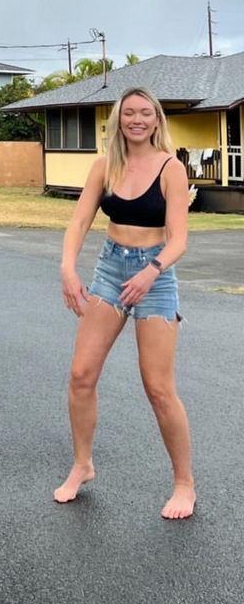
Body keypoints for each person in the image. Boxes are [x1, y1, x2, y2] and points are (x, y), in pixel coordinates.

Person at [55, 87, 195, 519]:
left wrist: (151, 270)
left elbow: (180, 239)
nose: (137, 119)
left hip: (154, 274)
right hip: (111, 269)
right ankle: (83, 465)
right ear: (118, 119)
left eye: (145, 113)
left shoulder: (172, 169)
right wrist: (68, 268)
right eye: (129, 113)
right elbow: (80, 221)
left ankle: (184, 484)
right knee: (81, 374)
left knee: (158, 387)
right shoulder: (104, 166)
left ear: (157, 120)